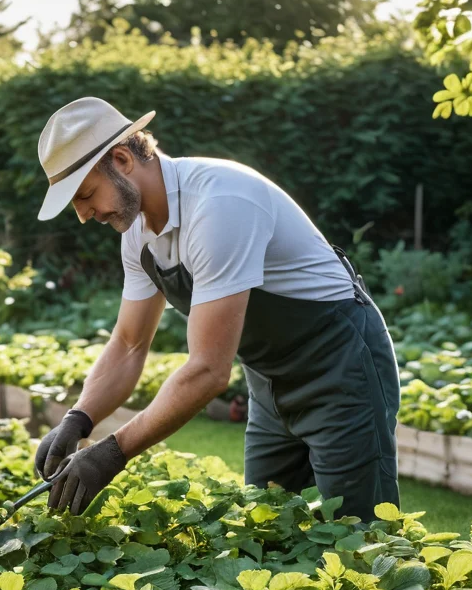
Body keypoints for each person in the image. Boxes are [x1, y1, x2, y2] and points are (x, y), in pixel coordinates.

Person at [33, 96, 400, 522]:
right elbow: (130, 344)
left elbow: (208, 370)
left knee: (362, 537)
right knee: (266, 532)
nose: (82, 215)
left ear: (121, 159)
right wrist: (79, 418)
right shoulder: (136, 234)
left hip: (341, 371)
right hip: (268, 384)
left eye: (85, 194)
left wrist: (111, 453)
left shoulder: (220, 204)